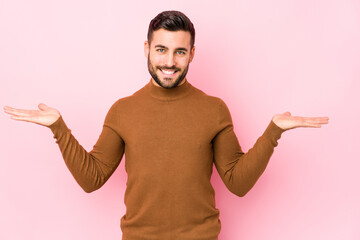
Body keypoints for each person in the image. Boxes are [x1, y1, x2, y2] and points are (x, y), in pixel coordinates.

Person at [4, 10, 328, 240]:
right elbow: (92, 178)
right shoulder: (123, 110)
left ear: (191, 54)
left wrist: (273, 131)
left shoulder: (214, 109)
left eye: (179, 52)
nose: (169, 62)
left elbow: (237, 183)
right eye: (161, 50)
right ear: (147, 49)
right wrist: (58, 127)